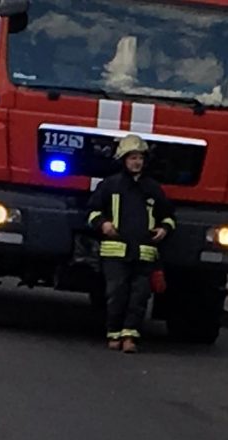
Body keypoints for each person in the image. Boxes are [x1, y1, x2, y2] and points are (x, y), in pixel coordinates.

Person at [87, 134, 175, 353]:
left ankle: (130, 337)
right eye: (132, 157)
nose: (137, 162)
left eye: (140, 158)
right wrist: (103, 224)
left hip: (145, 253)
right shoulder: (110, 185)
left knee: (139, 297)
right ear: (123, 160)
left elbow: (169, 216)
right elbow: (92, 211)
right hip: (115, 252)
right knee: (117, 293)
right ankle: (114, 333)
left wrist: (164, 229)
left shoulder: (153, 188)